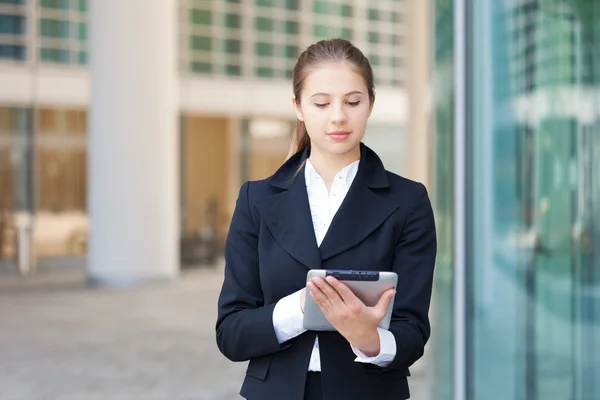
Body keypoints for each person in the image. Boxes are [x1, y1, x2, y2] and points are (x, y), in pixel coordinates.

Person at [216, 38, 437, 400]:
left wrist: (368, 338)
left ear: (370, 104)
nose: (338, 116)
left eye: (353, 102)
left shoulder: (408, 201)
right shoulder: (256, 200)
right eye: (321, 103)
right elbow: (231, 333)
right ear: (298, 107)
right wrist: (302, 306)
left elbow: (412, 332)